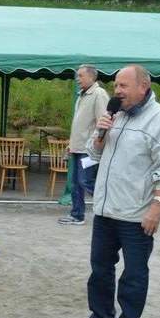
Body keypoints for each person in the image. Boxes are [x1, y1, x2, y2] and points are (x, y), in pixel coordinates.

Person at [71, 65, 160, 318]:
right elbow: (93, 153)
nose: (117, 91)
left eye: (123, 86)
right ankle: (101, 316)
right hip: (105, 209)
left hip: (137, 214)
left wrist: (157, 206)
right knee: (100, 267)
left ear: (143, 87)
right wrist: (100, 133)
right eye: (116, 86)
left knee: (134, 273)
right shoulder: (115, 115)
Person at [58, 64, 110, 225]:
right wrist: (71, 144)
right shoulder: (82, 95)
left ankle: (111, 206)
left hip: (89, 149)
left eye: (81, 76)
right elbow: (79, 124)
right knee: (75, 184)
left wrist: (96, 143)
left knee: (85, 181)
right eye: (77, 75)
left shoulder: (99, 94)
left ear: (91, 77)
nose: (77, 79)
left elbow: (104, 122)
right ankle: (77, 215)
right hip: (77, 147)